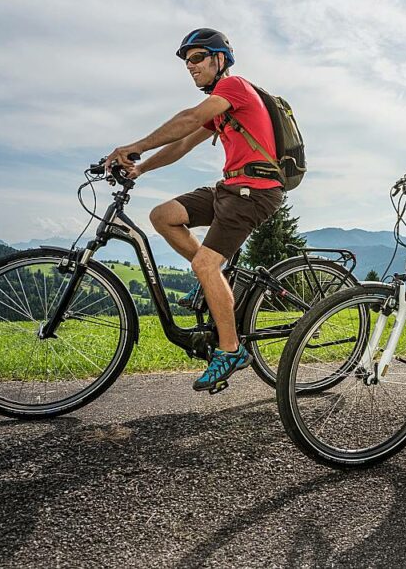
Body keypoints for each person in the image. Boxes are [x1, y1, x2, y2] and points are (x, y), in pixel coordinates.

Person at [105, 28, 284, 392]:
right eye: (187, 61)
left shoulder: (233, 89)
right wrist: (141, 168)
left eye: (198, 57)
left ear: (221, 60)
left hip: (256, 190)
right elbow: (183, 143)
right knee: (163, 216)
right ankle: (215, 283)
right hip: (231, 187)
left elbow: (186, 119)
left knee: (204, 264)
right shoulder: (219, 108)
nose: (190, 66)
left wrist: (133, 146)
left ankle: (230, 350)